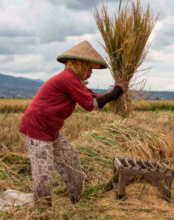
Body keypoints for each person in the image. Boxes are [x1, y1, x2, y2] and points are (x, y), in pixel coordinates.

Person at [19, 40, 124, 206]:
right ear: (80, 65)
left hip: (50, 130)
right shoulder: (68, 78)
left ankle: (77, 200)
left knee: (71, 157)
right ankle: (43, 210)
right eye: (89, 68)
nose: (90, 73)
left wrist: (116, 91)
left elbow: (93, 97)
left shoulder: (74, 81)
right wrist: (116, 92)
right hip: (36, 128)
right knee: (44, 173)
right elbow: (91, 105)